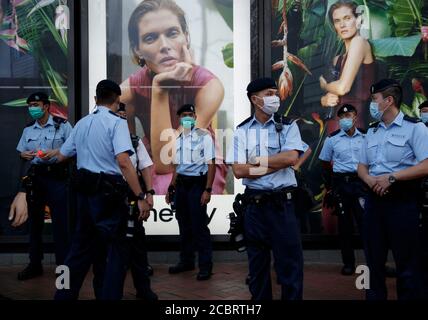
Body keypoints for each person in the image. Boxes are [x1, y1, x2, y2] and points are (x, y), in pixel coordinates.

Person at [53, 80, 151, 300]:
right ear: (117, 100)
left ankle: (62, 295)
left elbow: (61, 155)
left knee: (76, 253)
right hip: (108, 196)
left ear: (96, 99)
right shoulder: (116, 124)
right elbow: (124, 161)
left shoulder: (81, 123)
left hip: (84, 195)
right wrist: (140, 196)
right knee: (117, 253)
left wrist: (42, 156)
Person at [120, 0, 227, 195]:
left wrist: (160, 88)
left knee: (171, 189)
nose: (165, 46)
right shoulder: (127, 92)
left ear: (186, 37)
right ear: (137, 49)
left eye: (172, 33)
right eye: (151, 38)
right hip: (151, 158)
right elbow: (126, 156)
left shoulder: (208, 86)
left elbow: (168, 162)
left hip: (197, 159)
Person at [226, 78, 304, 300]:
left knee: (289, 266)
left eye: (275, 93)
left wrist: (256, 163)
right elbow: (239, 171)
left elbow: (290, 157)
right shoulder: (241, 131)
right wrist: (273, 163)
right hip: (254, 208)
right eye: (269, 93)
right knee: (257, 268)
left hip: (283, 205)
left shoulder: (288, 125)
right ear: (255, 99)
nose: (275, 97)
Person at [358, 79, 428, 300]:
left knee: (407, 265)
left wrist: (392, 178)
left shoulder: (415, 128)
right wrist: (371, 182)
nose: (372, 104)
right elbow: (361, 166)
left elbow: (426, 165)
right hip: (373, 204)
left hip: (402, 203)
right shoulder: (372, 131)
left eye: (374, 99)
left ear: (388, 101)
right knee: (371, 263)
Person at [15, 92, 72, 281]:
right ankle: (35, 264)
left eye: (36, 104)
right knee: (35, 224)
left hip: (57, 177)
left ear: (46, 106)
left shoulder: (62, 125)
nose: (33, 108)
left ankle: (63, 267)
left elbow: (74, 148)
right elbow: (21, 152)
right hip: (36, 178)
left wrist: (56, 153)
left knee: (61, 225)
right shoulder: (27, 129)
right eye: (30, 104)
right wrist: (24, 155)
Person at [166, 103, 215, 281]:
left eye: (189, 114)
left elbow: (211, 164)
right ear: (179, 118)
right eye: (183, 115)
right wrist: (171, 186)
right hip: (181, 186)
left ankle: (205, 266)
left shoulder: (204, 136)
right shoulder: (179, 138)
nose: (186, 117)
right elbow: (178, 165)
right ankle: (186, 261)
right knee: (184, 225)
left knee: (199, 227)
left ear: (195, 117)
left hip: (197, 185)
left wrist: (207, 190)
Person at [319, 104, 366, 275]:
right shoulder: (332, 139)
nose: (346, 119)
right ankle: (348, 264)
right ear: (339, 120)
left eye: (350, 115)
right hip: (342, 185)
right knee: (344, 227)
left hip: (361, 184)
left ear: (355, 117)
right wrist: (331, 187)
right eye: (343, 117)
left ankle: (375, 263)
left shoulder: (366, 136)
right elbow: (324, 164)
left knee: (367, 225)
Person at [320, 0, 375, 132]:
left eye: (347, 18)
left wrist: (324, 85)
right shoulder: (337, 59)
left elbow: (342, 88)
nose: (342, 25)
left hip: (353, 131)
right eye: (337, 21)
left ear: (358, 20)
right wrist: (324, 99)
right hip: (332, 130)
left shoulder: (359, 42)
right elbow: (330, 96)